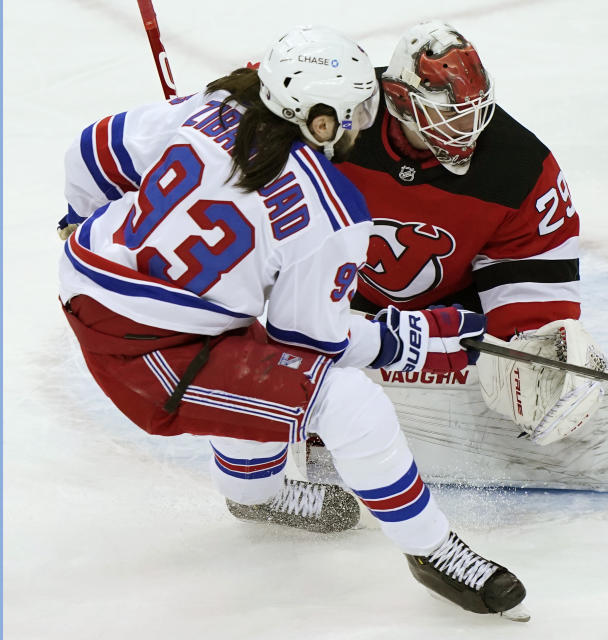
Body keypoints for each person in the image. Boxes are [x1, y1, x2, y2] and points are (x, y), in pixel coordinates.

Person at [57, 25, 529, 622]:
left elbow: (93, 147)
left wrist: (75, 216)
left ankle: (255, 494)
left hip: (88, 278)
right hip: (151, 358)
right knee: (344, 400)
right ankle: (433, 549)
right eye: (356, 107)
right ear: (321, 116)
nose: (364, 119)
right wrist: (417, 339)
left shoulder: (212, 106)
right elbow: (312, 346)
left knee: (252, 365)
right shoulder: (330, 212)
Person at [326, 19, 608, 502]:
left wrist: (533, 357)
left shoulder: (520, 170)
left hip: (446, 319)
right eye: (448, 116)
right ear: (399, 99)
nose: (467, 130)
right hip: (329, 298)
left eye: (472, 113)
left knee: (529, 375)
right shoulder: (334, 112)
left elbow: (532, 301)